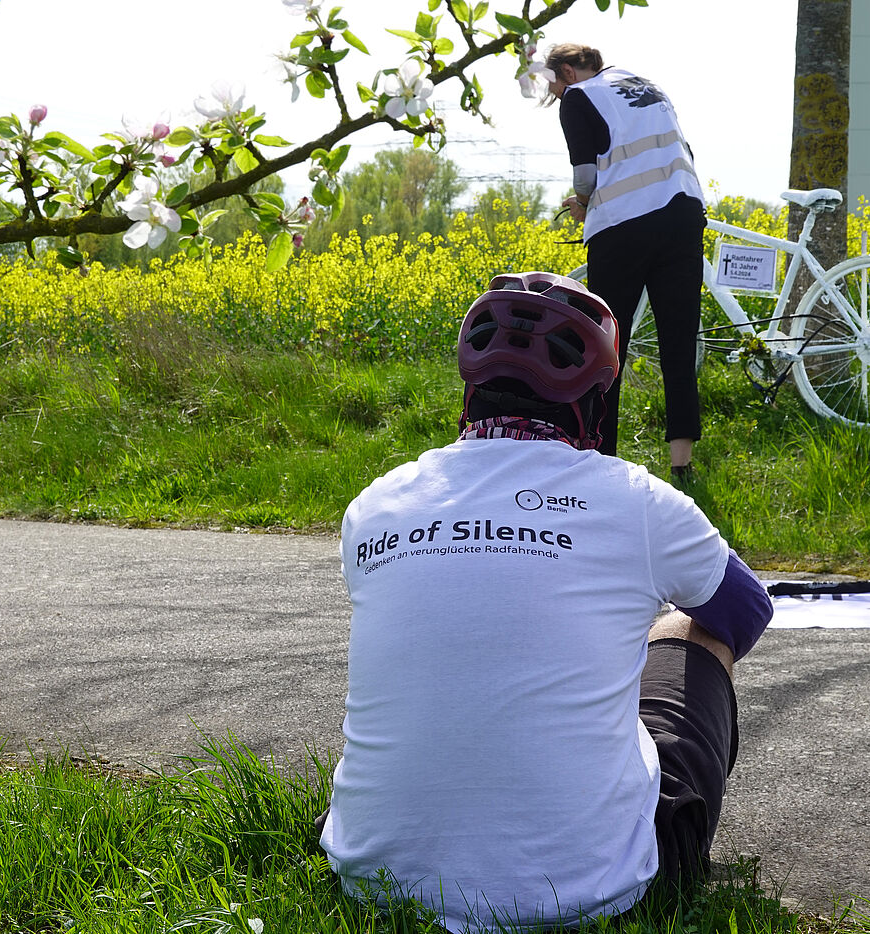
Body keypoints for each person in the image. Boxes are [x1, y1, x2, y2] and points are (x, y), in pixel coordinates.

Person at [318, 272, 773, 931]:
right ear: (594, 398)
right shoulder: (637, 501)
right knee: (689, 629)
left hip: (369, 877)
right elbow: (743, 612)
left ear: (470, 386)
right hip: (587, 889)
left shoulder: (376, 504)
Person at [545, 42, 708, 484]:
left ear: (567, 72)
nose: (559, 96)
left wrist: (582, 205)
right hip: (683, 213)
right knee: (679, 342)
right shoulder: (646, 85)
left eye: (555, 88)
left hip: (624, 225)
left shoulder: (581, 96)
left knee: (606, 343)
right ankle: (682, 464)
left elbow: (585, 174)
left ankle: (602, 461)